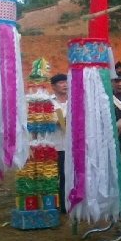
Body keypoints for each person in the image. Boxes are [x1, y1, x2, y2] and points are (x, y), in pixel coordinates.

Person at [49, 73, 68, 213]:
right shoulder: (49, 103)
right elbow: (56, 122)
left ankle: (66, 205)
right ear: (53, 87)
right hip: (55, 145)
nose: (65, 85)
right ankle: (54, 205)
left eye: (66, 82)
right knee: (53, 176)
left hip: (70, 146)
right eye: (61, 83)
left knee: (67, 176)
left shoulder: (74, 100)